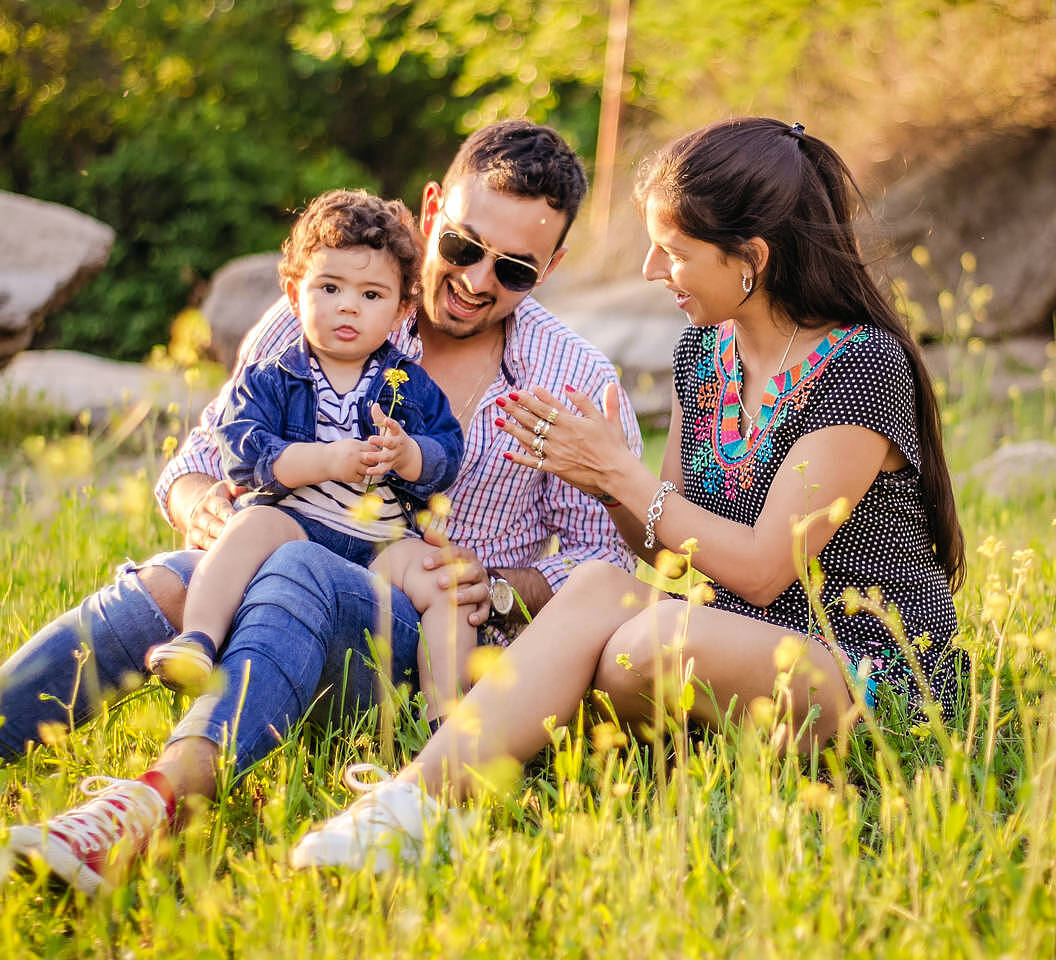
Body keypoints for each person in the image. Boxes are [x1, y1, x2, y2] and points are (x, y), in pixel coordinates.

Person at [0, 119, 641, 898]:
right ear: (432, 209)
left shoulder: (571, 378)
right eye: (462, 244)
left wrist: (492, 584)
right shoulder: (329, 309)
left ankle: (147, 805)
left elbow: (604, 565)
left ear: (552, 267)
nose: (475, 279)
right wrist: (210, 511)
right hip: (276, 570)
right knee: (182, 578)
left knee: (298, 565)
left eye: (515, 269)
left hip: (421, 647)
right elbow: (196, 465)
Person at [288, 117, 966, 871]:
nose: (649, 269)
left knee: (641, 647)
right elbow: (664, 551)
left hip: (866, 668)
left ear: (752, 260)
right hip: (734, 647)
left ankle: (418, 806)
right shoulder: (703, 356)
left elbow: (765, 569)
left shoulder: (861, 368)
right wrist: (601, 482)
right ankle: (422, 800)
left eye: (673, 252)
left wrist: (621, 474)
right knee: (615, 644)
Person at [145, 189, 470, 723]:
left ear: (400, 310)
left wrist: (409, 453)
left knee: (442, 582)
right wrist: (326, 461)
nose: (348, 305)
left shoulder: (410, 385)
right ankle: (198, 639)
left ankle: (445, 717)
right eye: (330, 287)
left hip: (381, 543)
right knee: (247, 530)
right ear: (295, 294)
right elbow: (244, 454)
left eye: (372, 295)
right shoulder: (272, 377)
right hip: (295, 525)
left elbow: (446, 454)